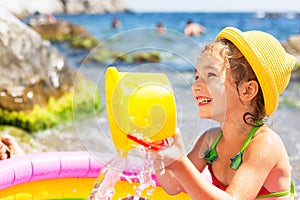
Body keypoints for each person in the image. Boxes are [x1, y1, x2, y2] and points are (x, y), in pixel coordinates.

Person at [152, 27, 295, 199]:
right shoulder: (210, 140)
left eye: (210, 75)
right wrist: (156, 151)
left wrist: (181, 163)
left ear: (247, 91)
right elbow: (173, 186)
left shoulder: (265, 145)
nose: (196, 86)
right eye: (196, 76)